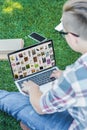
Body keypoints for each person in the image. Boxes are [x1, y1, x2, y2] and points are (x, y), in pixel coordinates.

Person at [0, 0, 87, 129]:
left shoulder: (73, 76)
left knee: (14, 101)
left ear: (73, 38)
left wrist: (33, 89)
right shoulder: (74, 75)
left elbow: (40, 107)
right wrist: (64, 76)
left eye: (64, 32)